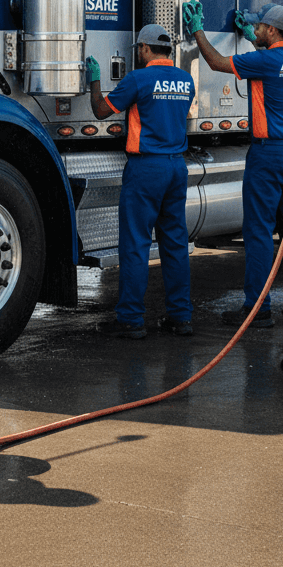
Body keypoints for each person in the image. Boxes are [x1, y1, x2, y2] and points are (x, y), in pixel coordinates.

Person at [183, 0, 283, 327]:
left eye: (258, 27)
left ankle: (258, 309)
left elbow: (214, 62)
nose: (253, 30)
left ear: (271, 30)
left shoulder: (265, 61)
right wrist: (247, 34)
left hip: (268, 155)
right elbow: (268, 53)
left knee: (257, 232)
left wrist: (197, 29)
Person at [87, 24, 195, 339]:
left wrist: (94, 77)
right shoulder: (185, 80)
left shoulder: (138, 79)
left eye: (139, 49)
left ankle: (132, 320)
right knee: (175, 245)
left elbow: (100, 111)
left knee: (135, 244)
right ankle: (181, 317)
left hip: (146, 168)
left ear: (145, 49)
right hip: (177, 167)